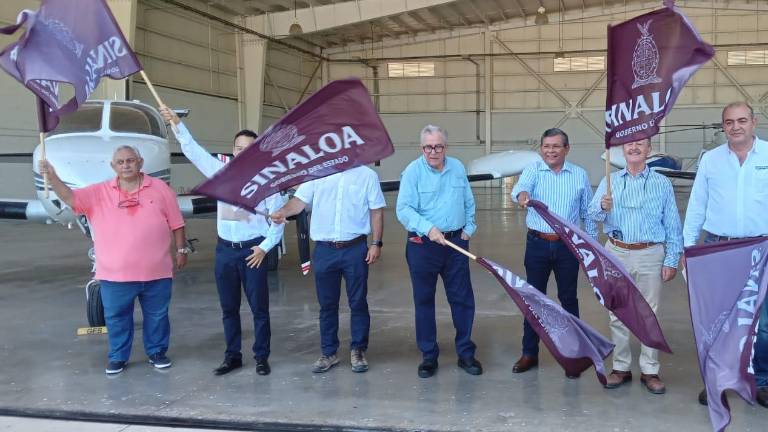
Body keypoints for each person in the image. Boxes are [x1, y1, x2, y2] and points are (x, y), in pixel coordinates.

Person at [160, 106, 286, 376]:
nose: (243, 152)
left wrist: (264, 248)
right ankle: (233, 356)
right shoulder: (221, 173)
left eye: (249, 148)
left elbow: (278, 221)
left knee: (259, 310)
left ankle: (261, 357)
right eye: (239, 147)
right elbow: (193, 150)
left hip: (253, 252)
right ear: (233, 150)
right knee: (229, 309)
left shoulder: (268, 183)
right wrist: (176, 124)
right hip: (225, 252)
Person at [40, 146, 187, 375]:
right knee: (117, 319)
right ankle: (118, 357)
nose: (126, 165)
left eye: (130, 160)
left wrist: (181, 250)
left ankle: (157, 352)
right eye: (120, 162)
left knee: (157, 317)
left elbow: (177, 223)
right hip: (114, 275)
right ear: (113, 166)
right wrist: (52, 176)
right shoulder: (98, 193)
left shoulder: (161, 189)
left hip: (157, 272)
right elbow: (71, 198)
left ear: (140, 162)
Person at [683, 101, 768, 407]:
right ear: (724, 127)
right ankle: (717, 381)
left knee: (763, 321)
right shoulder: (711, 160)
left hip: (761, 248)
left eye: (741, 120)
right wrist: (688, 246)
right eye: (729, 122)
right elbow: (697, 205)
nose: (735, 126)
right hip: (718, 247)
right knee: (717, 321)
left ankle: (760, 382)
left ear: (753, 122)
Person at [588, 137, 682, 394]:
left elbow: (672, 225)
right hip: (616, 251)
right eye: (629, 144)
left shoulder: (661, 184)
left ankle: (650, 370)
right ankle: (621, 367)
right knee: (617, 312)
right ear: (622, 150)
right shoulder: (611, 181)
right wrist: (601, 205)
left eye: (641, 144)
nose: (634, 148)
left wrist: (672, 259)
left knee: (648, 313)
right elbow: (592, 215)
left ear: (649, 150)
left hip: (650, 253)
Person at [271, 166, 385, 374]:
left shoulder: (368, 175)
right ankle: (328, 352)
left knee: (358, 301)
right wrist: (283, 212)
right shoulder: (316, 171)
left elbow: (376, 210)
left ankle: (358, 350)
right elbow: (299, 202)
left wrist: (376, 243)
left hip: (355, 248)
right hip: (325, 250)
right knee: (327, 304)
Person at [395, 124, 482, 379]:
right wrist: (427, 228)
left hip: (456, 245)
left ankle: (465, 353)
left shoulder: (457, 167)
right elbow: (404, 210)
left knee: (463, 300)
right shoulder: (412, 172)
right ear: (422, 148)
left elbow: (468, 200)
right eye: (428, 147)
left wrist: (469, 229)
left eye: (438, 146)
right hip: (424, 246)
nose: (433, 151)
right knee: (424, 301)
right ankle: (429, 356)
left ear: (446, 146)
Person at [510, 128, 597, 377]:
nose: (550, 151)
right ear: (541, 148)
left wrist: (588, 247)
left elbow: (587, 214)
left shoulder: (579, 175)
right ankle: (529, 353)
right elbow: (520, 189)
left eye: (556, 146)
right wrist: (522, 195)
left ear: (566, 149)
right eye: (546, 146)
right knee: (533, 299)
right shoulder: (533, 170)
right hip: (537, 244)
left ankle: (574, 354)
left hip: (568, 246)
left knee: (569, 300)